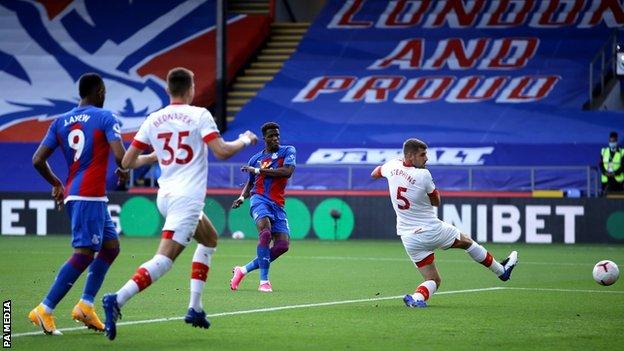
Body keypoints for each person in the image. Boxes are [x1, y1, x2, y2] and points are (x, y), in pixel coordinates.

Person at [101, 67, 258, 341]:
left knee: (208, 238)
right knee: (163, 260)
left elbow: (126, 162)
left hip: (167, 196)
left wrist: (154, 157)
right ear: (191, 88)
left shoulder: (154, 118)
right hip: (185, 199)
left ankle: (195, 308)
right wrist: (244, 140)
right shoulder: (199, 115)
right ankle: (117, 299)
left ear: (167, 89)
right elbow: (221, 151)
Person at [28, 73, 142, 335]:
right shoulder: (105, 117)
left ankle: (85, 305)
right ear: (100, 91)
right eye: (104, 91)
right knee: (84, 253)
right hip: (88, 195)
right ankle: (44, 309)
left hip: (79, 193)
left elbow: (37, 159)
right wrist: (124, 170)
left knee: (111, 247)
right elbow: (120, 157)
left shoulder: (60, 122)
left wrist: (57, 182)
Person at [371, 138, 517, 308]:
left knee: (433, 279)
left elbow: (375, 173)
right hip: (431, 230)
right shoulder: (423, 175)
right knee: (467, 242)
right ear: (410, 156)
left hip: (408, 238)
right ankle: (502, 271)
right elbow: (436, 201)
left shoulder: (391, 166)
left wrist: (392, 174)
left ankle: (417, 298)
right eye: (422, 155)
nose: (426, 159)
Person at [229, 122, 296, 293]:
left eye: (277, 135)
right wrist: (242, 197)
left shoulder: (288, 151)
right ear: (264, 138)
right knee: (265, 232)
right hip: (259, 199)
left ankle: (242, 270)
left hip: (278, 204)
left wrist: (258, 171)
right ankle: (264, 281)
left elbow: (287, 172)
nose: (275, 138)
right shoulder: (255, 159)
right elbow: (251, 183)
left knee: (282, 246)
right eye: (271, 136)